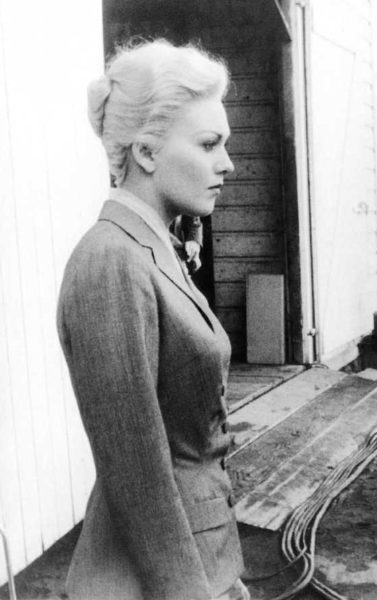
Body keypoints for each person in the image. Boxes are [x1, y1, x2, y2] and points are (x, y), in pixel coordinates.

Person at [57, 39, 248, 600]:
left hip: (201, 560)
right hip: (149, 581)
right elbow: (137, 472)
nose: (227, 163)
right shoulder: (111, 260)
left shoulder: (152, 247)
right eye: (209, 144)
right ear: (145, 151)